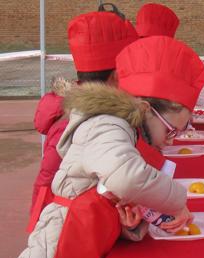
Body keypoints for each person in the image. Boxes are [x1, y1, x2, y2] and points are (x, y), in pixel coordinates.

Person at [16, 36, 204, 258]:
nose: (172, 140)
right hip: (58, 252)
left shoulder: (124, 130)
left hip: (85, 243)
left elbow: (106, 190)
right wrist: (177, 201)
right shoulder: (108, 124)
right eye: (172, 130)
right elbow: (127, 177)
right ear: (147, 109)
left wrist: (129, 226)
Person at [28, 8, 139, 229]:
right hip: (65, 223)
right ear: (117, 77)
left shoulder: (83, 111)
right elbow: (53, 184)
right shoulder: (79, 121)